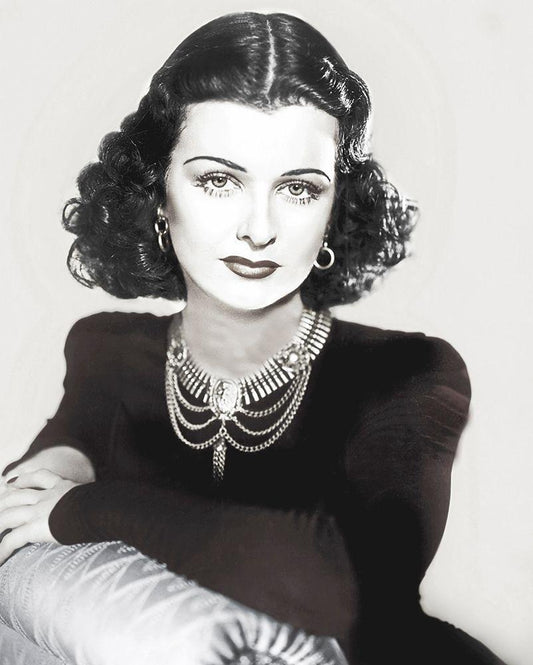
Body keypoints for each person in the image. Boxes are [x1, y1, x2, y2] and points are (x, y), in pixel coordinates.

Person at [0, 11, 505, 665]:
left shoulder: (407, 373)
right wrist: (58, 471)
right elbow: (50, 470)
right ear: (158, 196)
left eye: (298, 189)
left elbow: (343, 588)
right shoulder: (108, 350)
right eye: (218, 180)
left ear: (334, 211)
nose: (259, 229)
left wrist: (82, 508)